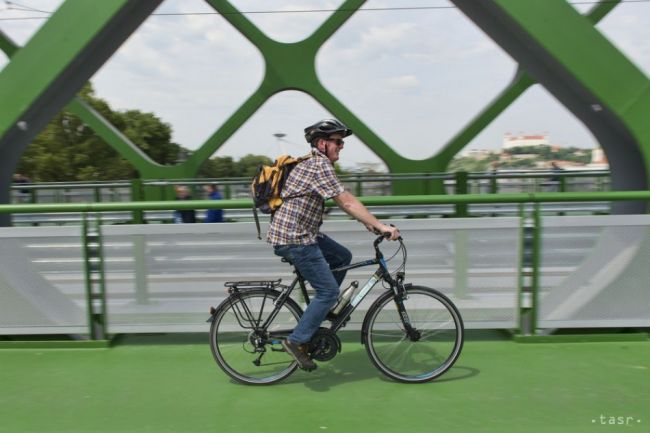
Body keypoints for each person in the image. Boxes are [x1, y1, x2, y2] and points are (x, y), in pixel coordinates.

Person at [268, 119, 400, 371]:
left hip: (300, 233)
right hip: (295, 239)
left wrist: (371, 223)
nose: (341, 146)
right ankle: (296, 341)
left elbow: (345, 201)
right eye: (337, 142)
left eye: (342, 142)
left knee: (341, 256)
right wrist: (382, 226)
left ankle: (321, 311)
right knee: (328, 291)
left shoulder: (314, 162)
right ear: (322, 143)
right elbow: (347, 201)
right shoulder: (319, 164)